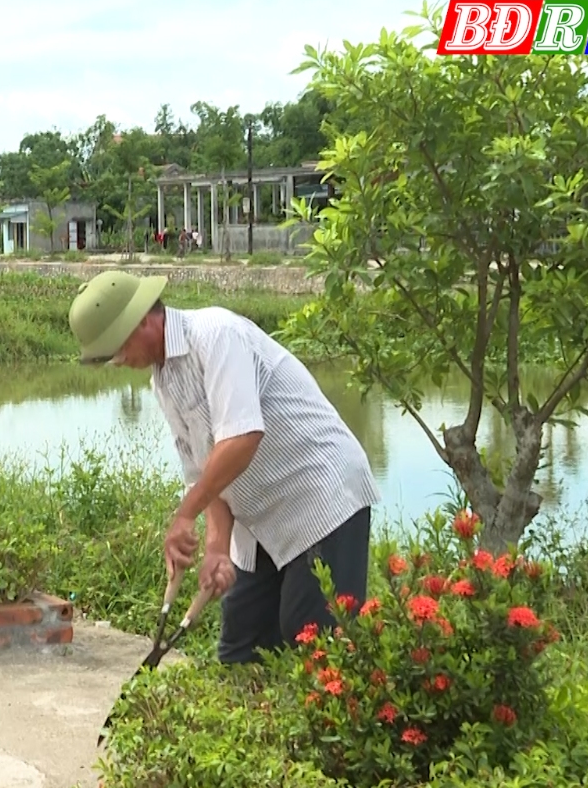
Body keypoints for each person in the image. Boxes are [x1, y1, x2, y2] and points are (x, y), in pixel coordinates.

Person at [67, 270, 380, 664]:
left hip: (321, 498)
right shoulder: (162, 381)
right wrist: (216, 548)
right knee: (242, 645)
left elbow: (242, 438)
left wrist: (185, 515)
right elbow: (206, 471)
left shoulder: (217, 335)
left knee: (315, 640)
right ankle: (263, 723)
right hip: (262, 520)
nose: (118, 361)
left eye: (117, 348)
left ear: (144, 320)